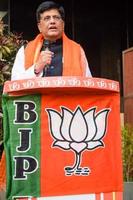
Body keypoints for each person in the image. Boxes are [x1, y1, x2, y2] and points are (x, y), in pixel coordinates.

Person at [11, 0, 92, 80]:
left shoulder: (77, 50)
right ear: (39, 27)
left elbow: (88, 82)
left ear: (63, 25)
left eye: (56, 17)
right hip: (37, 94)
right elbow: (15, 83)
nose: (52, 21)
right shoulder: (25, 50)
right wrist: (36, 68)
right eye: (47, 18)